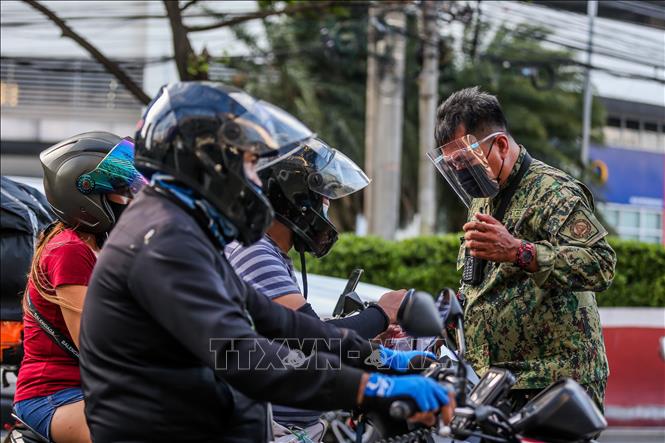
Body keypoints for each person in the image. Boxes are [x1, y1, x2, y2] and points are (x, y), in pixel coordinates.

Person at [78, 82, 453, 442]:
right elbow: (243, 355)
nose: (255, 181)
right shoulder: (162, 239)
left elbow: (280, 321)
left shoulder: (180, 226)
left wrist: (382, 357)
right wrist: (373, 387)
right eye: (250, 163)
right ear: (209, 162)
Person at [430, 87, 616, 411]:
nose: (461, 173)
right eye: (453, 164)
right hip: (499, 381)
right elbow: (483, 282)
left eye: (466, 161)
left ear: (500, 144)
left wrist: (520, 252)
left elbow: (601, 265)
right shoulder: (483, 199)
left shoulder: (554, 192)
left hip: (555, 382)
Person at [225, 137, 407, 436]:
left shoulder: (267, 250)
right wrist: (383, 313)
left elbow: (300, 331)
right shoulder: (255, 252)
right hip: (278, 430)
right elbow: (315, 342)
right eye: (322, 201)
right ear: (296, 200)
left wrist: (371, 341)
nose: (325, 212)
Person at [13, 132, 144, 443]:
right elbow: (97, 345)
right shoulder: (69, 250)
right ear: (84, 191)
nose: (130, 196)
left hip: (91, 390)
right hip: (54, 396)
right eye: (120, 188)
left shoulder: (103, 247)